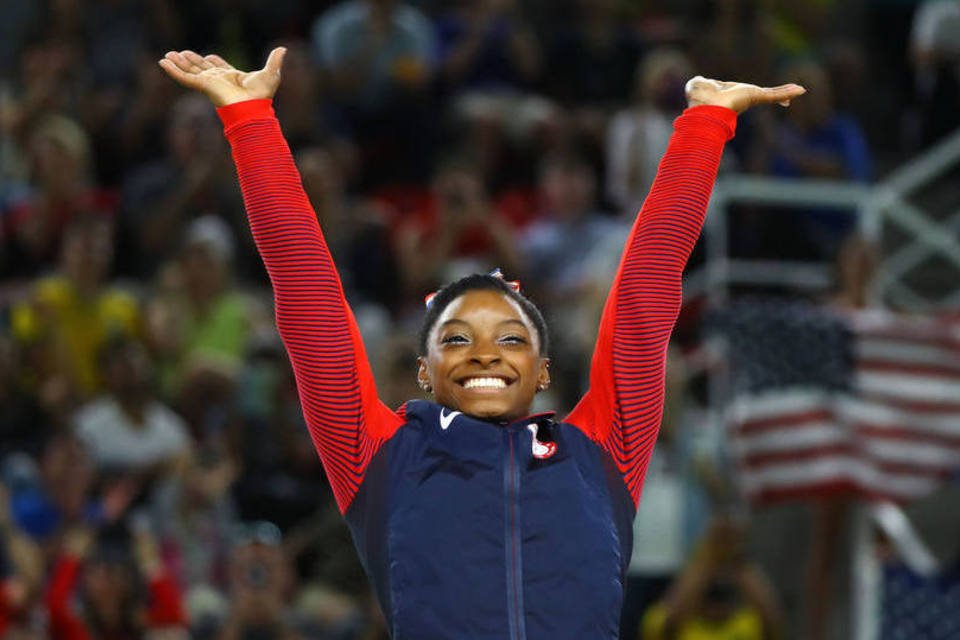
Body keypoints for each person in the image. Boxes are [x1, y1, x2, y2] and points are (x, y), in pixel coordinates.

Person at [159, 46, 804, 639]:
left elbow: (647, 295)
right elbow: (309, 299)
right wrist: (250, 121)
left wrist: (706, 123)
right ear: (424, 371)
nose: (486, 353)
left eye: (511, 338)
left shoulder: (603, 452)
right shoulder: (379, 458)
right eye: (459, 338)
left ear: (543, 368)